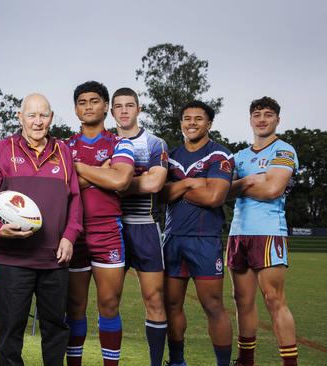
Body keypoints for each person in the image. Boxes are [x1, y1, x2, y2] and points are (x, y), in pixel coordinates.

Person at [0, 93, 83, 366]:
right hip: (14, 259)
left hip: (55, 258)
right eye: (31, 115)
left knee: (55, 329)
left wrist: (70, 236)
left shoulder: (64, 152)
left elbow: (75, 201)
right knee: (11, 329)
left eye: (43, 115)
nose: (37, 122)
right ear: (19, 117)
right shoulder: (2, 149)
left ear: (52, 118)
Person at [65, 81, 135, 366]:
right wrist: (100, 172)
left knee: (108, 305)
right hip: (72, 232)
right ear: (75, 109)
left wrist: (79, 169)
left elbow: (120, 179)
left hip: (107, 232)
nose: (88, 106)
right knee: (75, 307)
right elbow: (61, 188)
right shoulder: (63, 146)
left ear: (106, 106)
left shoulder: (120, 143)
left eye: (95, 101)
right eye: (82, 102)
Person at [227, 97, 299, 366]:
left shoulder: (284, 151)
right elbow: (222, 190)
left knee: (273, 299)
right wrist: (248, 181)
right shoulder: (240, 157)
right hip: (238, 233)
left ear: (277, 120)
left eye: (268, 115)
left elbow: (272, 190)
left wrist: (239, 186)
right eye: (257, 114)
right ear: (250, 119)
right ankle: (246, 361)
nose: (262, 119)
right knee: (242, 300)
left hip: (268, 232)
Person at [160, 100, 233, 366]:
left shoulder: (220, 155)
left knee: (213, 306)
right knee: (171, 305)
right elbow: (161, 195)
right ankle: (177, 361)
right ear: (181, 123)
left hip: (204, 240)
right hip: (172, 239)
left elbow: (214, 197)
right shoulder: (169, 156)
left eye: (198, 118)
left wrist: (178, 189)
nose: (192, 123)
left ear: (209, 123)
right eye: (187, 118)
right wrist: (192, 183)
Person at [112, 87, 169, 366]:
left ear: (139, 109)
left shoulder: (155, 143)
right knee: (109, 302)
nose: (124, 110)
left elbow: (155, 183)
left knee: (154, 299)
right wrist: (138, 179)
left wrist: (116, 181)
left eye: (129, 105)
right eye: (119, 106)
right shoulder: (105, 143)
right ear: (111, 112)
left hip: (145, 226)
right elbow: (144, 181)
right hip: (111, 227)